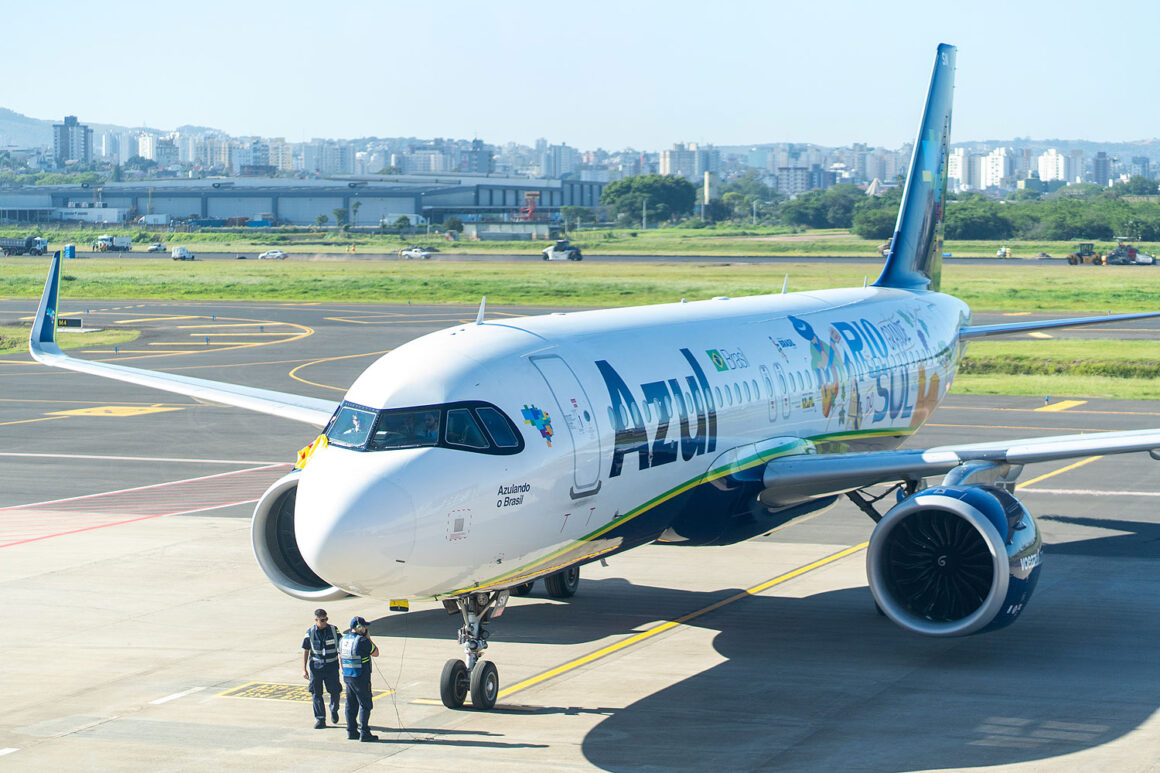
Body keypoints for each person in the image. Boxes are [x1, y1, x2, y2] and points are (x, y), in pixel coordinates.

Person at [339, 616, 380, 741]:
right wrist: (368, 637)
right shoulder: (362, 641)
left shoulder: (343, 640)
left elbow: (340, 657)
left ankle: (351, 731)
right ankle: (364, 732)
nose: (366, 628)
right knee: (365, 704)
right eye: (364, 626)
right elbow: (376, 652)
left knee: (350, 704)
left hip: (348, 676)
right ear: (359, 627)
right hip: (361, 676)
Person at [301, 608, 342, 729]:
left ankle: (334, 709)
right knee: (316, 693)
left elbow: (341, 647)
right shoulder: (310, 632)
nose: (324, 622)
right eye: (322, 620)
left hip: (331, 666)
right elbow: (306, 650)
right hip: (316, 667)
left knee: (335, 691)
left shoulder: (334, 630)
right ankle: (320, 719)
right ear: (316, 620)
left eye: (326, 619)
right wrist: (304, 669)